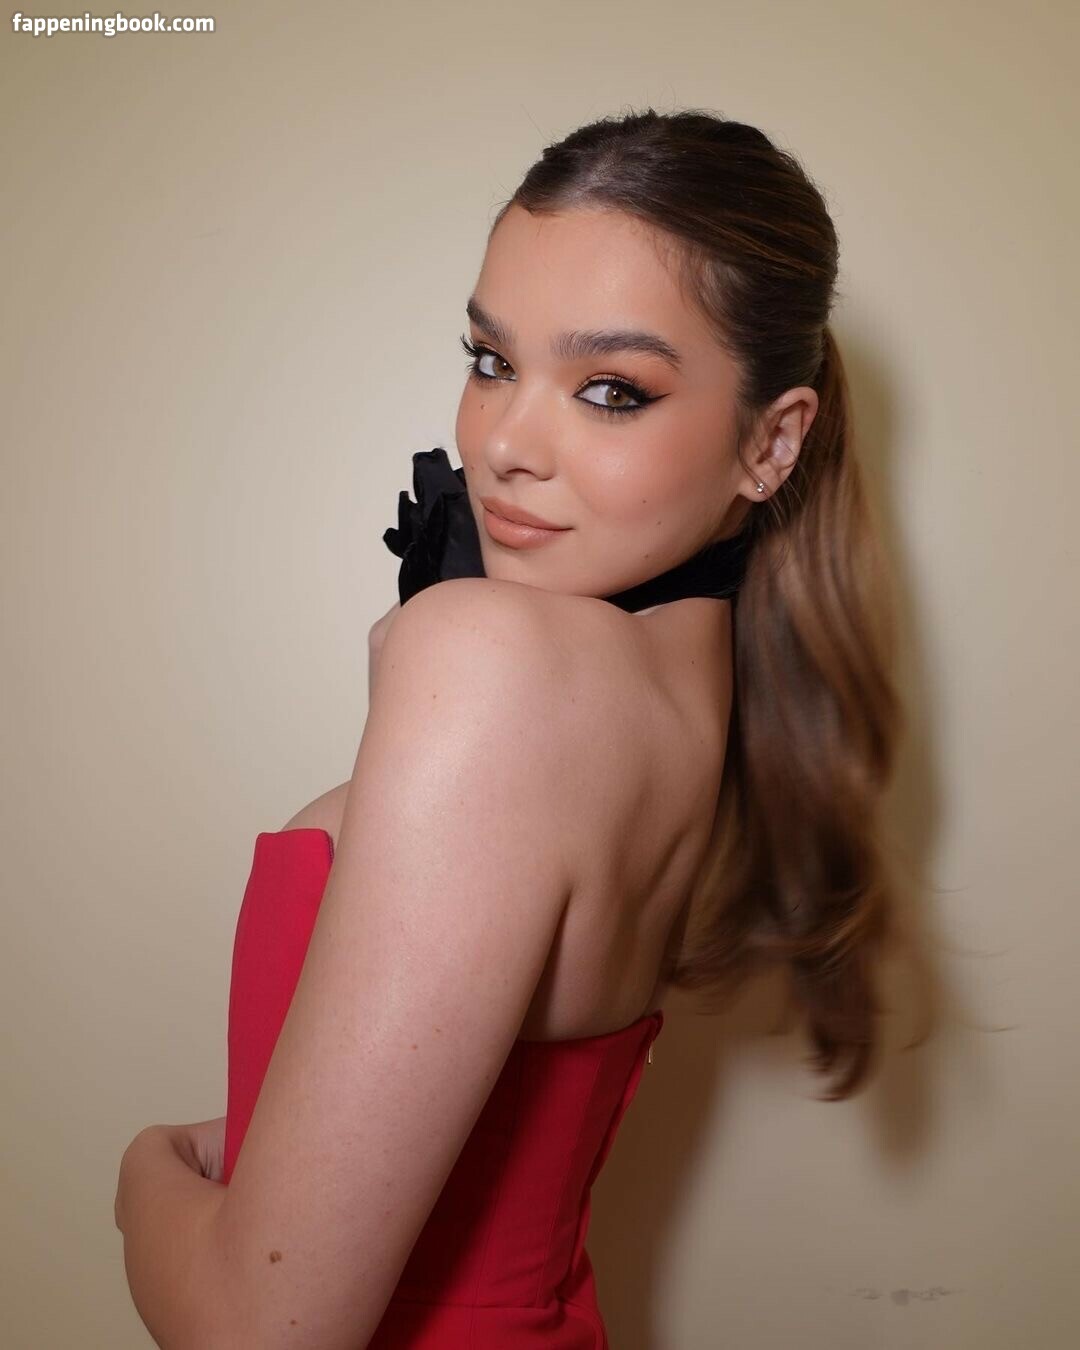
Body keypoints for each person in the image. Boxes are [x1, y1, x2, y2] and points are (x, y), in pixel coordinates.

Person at [116, 106, 902, 1350]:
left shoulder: (494, 663)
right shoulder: (683, 708)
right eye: (490, 362)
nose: (503, 447)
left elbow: (256, 1331)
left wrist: (142, 1180)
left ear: (773, 441)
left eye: (610, 390)